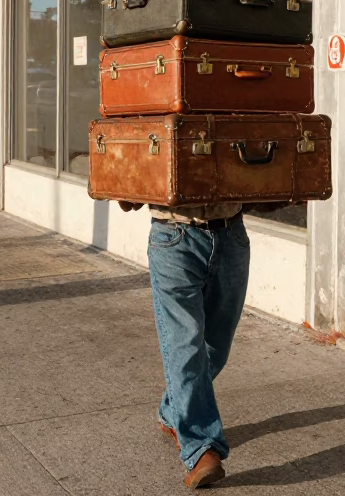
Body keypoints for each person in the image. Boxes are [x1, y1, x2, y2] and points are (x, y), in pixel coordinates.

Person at [118, 199, 261, 489]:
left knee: (216, 348)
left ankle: (172, 411)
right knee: (185, 346)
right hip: (175, 236)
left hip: (231, 232)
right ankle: (201, 448)